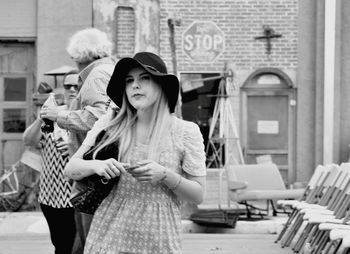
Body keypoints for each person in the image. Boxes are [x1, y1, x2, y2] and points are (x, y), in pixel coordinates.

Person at [64, 52, 207, 254]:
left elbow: (198, 195)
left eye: (144, 78)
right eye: (129, 80)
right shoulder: (111, 123)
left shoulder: (186, 131)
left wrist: (165, 175)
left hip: (159, 242)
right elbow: (70, 169)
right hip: (107, 239)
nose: (135, 85)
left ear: (161, 85)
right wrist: (97, 165)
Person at [39, 27, 116, 250]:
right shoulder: (108, 70)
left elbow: (101, 119)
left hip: (92, 176)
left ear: (78, 53)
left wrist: (58, 115)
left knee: (86, 244)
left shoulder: (97, 74)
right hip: (97, 173)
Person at [23, 71, 79, 254]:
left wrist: (73, 151)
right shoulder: (52, 114)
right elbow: (29, 141)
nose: (72, 89)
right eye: (67, 85)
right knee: (60, 245)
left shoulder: (86, 116)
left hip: (76, 197)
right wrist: (41, 117)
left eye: (76, 86)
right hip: (50, 195)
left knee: (75, 247)